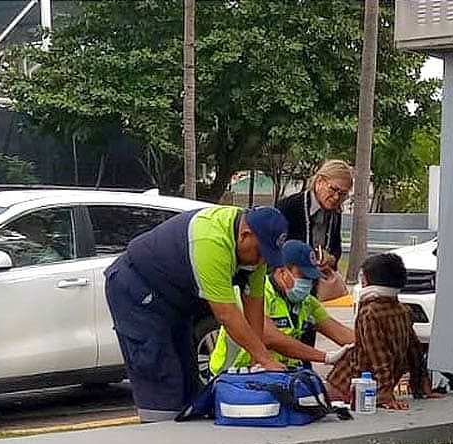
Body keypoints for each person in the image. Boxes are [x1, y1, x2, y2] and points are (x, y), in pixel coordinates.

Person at [104, 205, 289, 422]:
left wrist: (256, 360)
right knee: (161, 376)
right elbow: (226, 314)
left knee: (189, 384)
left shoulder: (254, 252)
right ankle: (160, 443)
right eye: (260, 252)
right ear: (244, 235)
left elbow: (254, 306)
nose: (261, 261)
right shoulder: (211, 242)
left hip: (174, 301)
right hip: (136, 292)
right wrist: (264, 359)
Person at [209, 240, 355, 374]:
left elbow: (341, 334)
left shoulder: (307, 302)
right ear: (282, 272)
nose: (307, 284)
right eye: (303, 276)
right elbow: (269, 337)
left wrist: (367, 344)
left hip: (274, 375)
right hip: (233, 375)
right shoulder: (255, 293)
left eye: (311, 279)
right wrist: (325, 357)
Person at [326, 253, 441, 410]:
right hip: (364, 387)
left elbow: (378, 356)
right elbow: (414, 350)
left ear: (365, 282)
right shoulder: (403, 310)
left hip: (349, 384)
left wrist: (385, 393)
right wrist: (421, 386)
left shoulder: (369, 312)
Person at [277, 160, 353, 273]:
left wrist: (330, 259)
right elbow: (275, 249)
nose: (336, 197)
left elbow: (336, 249)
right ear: (319, 182)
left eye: (343, 194)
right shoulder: (290, 206)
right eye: (333, 189)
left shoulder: (336, 213)